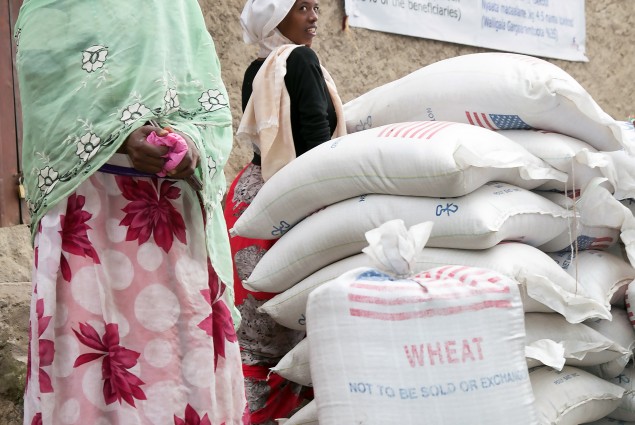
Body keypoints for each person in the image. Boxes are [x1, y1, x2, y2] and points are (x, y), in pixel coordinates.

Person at [14, 1, 248, 424]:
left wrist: (191, 143)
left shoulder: (175, 7)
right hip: (87, 208)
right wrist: (120, 139)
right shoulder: (50, 7)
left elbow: (206, 100)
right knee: (89, 361)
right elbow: (43, 80)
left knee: (179, 361)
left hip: (173, 207)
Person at [223, 0, 346, 423]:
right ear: (276, 18)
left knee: (251, 333)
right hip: (291, 202)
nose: (314, 16)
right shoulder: (302, 60)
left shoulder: (257, 69)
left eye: (315, 7)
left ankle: (240, 411)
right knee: (293, 330)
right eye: (301, 7)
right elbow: (315, 141)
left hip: (249, 201)